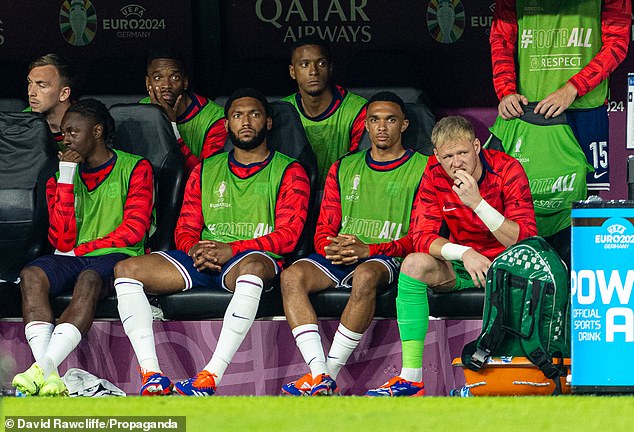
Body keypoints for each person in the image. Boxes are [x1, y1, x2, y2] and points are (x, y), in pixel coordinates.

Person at [114, 88, 310, 396]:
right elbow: (186, 227)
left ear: (269, 123)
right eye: (237, 115)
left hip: (247, 259)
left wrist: (231, 249)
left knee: (254, 267)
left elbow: (288, 236)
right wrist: (194, 248)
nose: (245, 121)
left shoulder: (290, 170)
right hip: (202, 260)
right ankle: (152, 374)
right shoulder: (205, 169)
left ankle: (210, 376)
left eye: (254, 114)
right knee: (126, 270)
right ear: (227, 124)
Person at [366, 116, 537, 396]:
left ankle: (508, 378)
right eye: (448, 156)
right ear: (437, 156)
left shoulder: (508, 169)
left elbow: (525, 239)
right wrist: (465, 253)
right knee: (413, 264)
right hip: (466, 264)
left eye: (462, 153)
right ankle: (411, 379)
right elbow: (421, 236)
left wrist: (477, 203)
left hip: (509, 264)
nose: (456, 162)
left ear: (477, 146)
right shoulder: (433, 173)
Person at [280, 92, 428, 396]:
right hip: (343, 254)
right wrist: (329, 246)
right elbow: (324, 227)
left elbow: (421, 237)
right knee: (291, 276)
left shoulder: (424, 168)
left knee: (366, 275)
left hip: (386, 256)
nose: (382, 127)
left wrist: (369, 250)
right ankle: (318, 373)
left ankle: (329, 373)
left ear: (404, 124)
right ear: (366, 126)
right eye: (374, 120)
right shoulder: (342, 167)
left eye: (390, 120)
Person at [12, 99, 155, 396]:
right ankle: (47, 374)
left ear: (98, 131)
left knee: (88, 279)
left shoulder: (136, 167)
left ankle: (42, 370)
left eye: (74, 132)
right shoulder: (59, 177)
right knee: (31, 275)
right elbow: (61, 241)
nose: (67, 140)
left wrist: (83, 249)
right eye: (64, 133)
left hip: (119, 257)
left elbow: (134, 231)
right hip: (73, 255)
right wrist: (66, 176)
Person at [490, 0, 631, 192]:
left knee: (586, 204)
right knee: (532, 198)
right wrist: (505, 90)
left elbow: (617, 42)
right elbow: (501, 38)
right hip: (533, 112)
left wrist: (573, 88)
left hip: (585, 110)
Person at [282, 36, 367, 186]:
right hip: (294, 198)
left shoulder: (358, 109)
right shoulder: (282, 111)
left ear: (330, 68)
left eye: (321, 63)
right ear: (292, 71)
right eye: (304, 64)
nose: (313, 71)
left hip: (344, 194)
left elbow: (362, 165)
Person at [141, 51, 227, 174]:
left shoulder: (215, 118)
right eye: (158, 78)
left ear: (185, 82)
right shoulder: (138, 111)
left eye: (175, 77)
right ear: (148, 83)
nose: (166, 85)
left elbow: (207, 176)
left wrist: (171, 127)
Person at [26, 53, 76, 147]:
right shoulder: (24, 120)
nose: (31, 93)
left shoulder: (86, 125)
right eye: (30, 83)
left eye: (41, 85)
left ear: (64, 93)